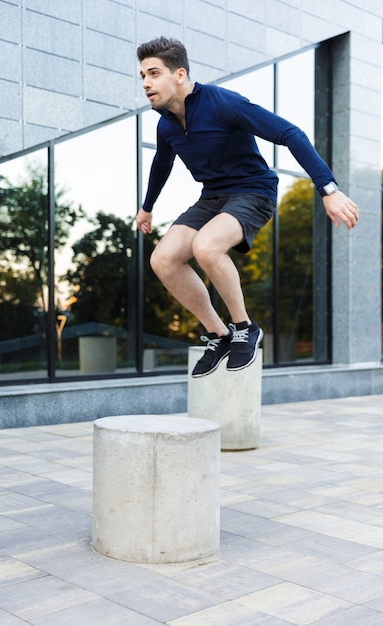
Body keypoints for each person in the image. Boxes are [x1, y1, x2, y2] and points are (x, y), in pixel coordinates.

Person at [135, 36, 359, 378]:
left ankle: (245, 328)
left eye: (153, 73)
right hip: (213, 197)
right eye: (142, 76)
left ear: (179, 75)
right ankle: (219, 334)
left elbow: (290, 133)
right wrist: (147, 207)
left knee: (206, 247)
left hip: (254, 191)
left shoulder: (222, 103)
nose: (147, 83)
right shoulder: (166, 124)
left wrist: (328, 188)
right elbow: (161, 163)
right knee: (163, 260)